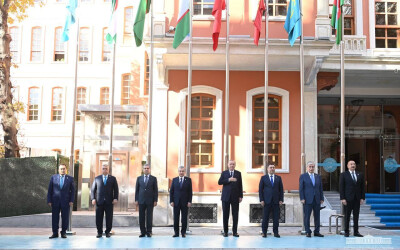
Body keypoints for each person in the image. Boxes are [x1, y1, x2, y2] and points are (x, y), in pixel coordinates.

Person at [91, 163, 119, 238]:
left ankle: (107, 232)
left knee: (109, 218)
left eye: (106, 168)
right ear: (101, 169)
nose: (104, 170)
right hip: (99, 202)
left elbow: (116, 190)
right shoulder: (97, 178)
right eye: (103, 168)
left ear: (108, 170)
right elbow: (93, 189)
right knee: (98, 217)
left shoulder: (113, 178)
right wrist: (93, 198)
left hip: (109, 202)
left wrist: (115, 198)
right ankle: (99, 232)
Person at [47, 164, 75, 239]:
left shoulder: (70, 179)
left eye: (64, 169)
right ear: (58, 170)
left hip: (66, 202)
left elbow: (72, 191)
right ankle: (55, 233)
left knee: (65, 218)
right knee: (55, 218)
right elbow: (50, 190)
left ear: (66, 170)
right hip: (55, 201)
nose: (62, 170)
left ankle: (63, 233)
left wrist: (71, 200)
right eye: (61, 169)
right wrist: (49, 200)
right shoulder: (53, 178)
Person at [340, 160, 365, 237]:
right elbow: (341, 187)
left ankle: (356, 232)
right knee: (347, 216)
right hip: (347, 199)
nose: (353, 165)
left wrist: (362, 198)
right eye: (351, 164)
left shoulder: (360, 174)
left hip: (357, 199)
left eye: (354, 164)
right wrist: (342, 198)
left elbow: (362, 187)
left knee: (356, 216)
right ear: (347, 166)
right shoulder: (344, 175)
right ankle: (346, 231)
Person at [218, 160, 243, 237]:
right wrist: (229, 180)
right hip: (226, 197)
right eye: (230, 164)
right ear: (228, 165)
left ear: (235, 165)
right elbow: (219, 182)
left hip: (235, 197)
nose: (232, 165)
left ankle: (235, 232)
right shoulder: (224, 173)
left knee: (235, 215)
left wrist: (241, 196)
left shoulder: (238, 173)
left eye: (233, 164)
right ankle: (225, 231)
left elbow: (240, 185)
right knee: (225, 215)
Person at [299, 161, 324, 238]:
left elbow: (320, 188)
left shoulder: (318, 176)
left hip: (317, 199)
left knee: (317, 216)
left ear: (314, 168)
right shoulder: (303, 176)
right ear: (307, 167)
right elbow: (301, 188)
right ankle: (308, 231)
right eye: (310, 166)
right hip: (307, 200)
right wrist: (302, 198)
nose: (311, 168)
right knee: (307, 216)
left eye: (312, 167)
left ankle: (317, 231)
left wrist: (321, 198)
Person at [259, 163, 283, 238]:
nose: (272, 169)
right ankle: (264, 232)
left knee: (276, 218)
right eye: (270, 167)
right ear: (267, 169)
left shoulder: (278, 178)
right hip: (266, 201)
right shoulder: (263, 178)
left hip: (276, 201)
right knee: (265, 217)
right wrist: (261, 200)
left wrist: (281, 199)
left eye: (273, 167)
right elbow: (260, 190)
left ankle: (276, 232)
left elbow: (281, 190)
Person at [135, 164, 158, 237]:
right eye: (145, 168)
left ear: (150, 169)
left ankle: (149, 231)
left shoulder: (153, 178)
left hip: (150, 201)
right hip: (141, 200)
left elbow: (155, 190)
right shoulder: (139, 178)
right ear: (143, 169)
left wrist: (155, 200)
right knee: (141, 217)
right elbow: (137, 190)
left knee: (149, 217)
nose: (146, 169)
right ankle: (142, 232)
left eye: (147, 168)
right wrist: (136, 199)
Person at [170, 166, 193, 238]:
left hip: (185, 203)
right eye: (180, 171)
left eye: (182, 171)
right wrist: (171, 201)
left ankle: (183, 233)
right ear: (178, 171)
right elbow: (171, 191)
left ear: (184, 172)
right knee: (176, 218)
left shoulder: (188, 180)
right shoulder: (174, 180)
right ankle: (176, 233)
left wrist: (189, 201)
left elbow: (190, 192)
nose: (181, 172)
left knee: (184, 219)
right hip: (176, 202)